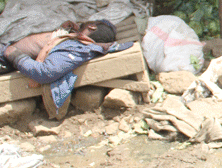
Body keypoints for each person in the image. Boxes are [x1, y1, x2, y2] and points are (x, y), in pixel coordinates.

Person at [0, 20, 129, 120]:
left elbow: (45, 72)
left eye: (89, 22)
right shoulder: (76, 41)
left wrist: (14, 55)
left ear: (92, 27)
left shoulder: (77, 48)